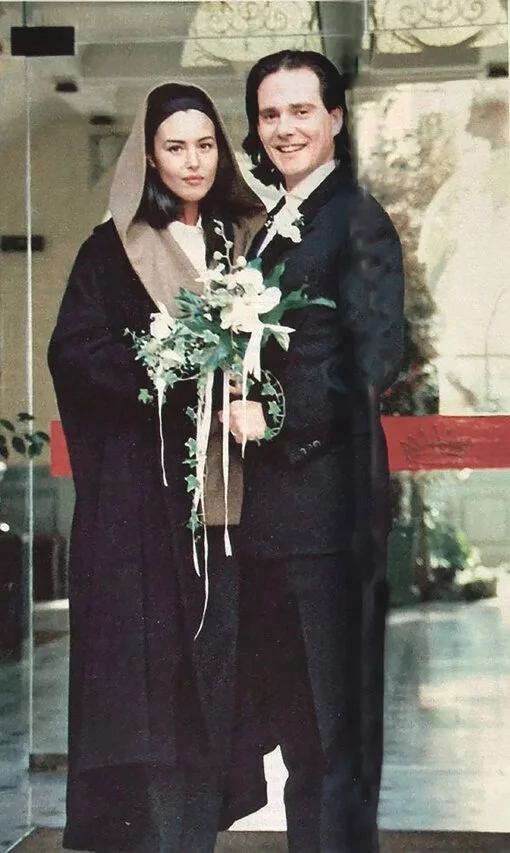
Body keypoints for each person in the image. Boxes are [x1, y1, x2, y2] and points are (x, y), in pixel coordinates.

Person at [48, 81, 264, 853]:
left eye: (205, 145)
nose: (193, 160)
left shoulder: (244, 246)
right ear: (149, 156)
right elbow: (74, 354)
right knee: (151, 695)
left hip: (228, 510)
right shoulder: (109, 251)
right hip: (144, 511)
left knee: (216, 683)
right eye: (175, 147)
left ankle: (194, 833)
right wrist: (164, 370)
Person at [221, 51, 405, 852]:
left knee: (336, 741)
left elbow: (378, 354)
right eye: (270, 114)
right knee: (304, 739)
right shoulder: (280, 220)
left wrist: (275, 417)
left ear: (335, 117)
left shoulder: (354, 216)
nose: (285, 127)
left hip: (330, 519)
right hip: (277, 522)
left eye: (302, 110)